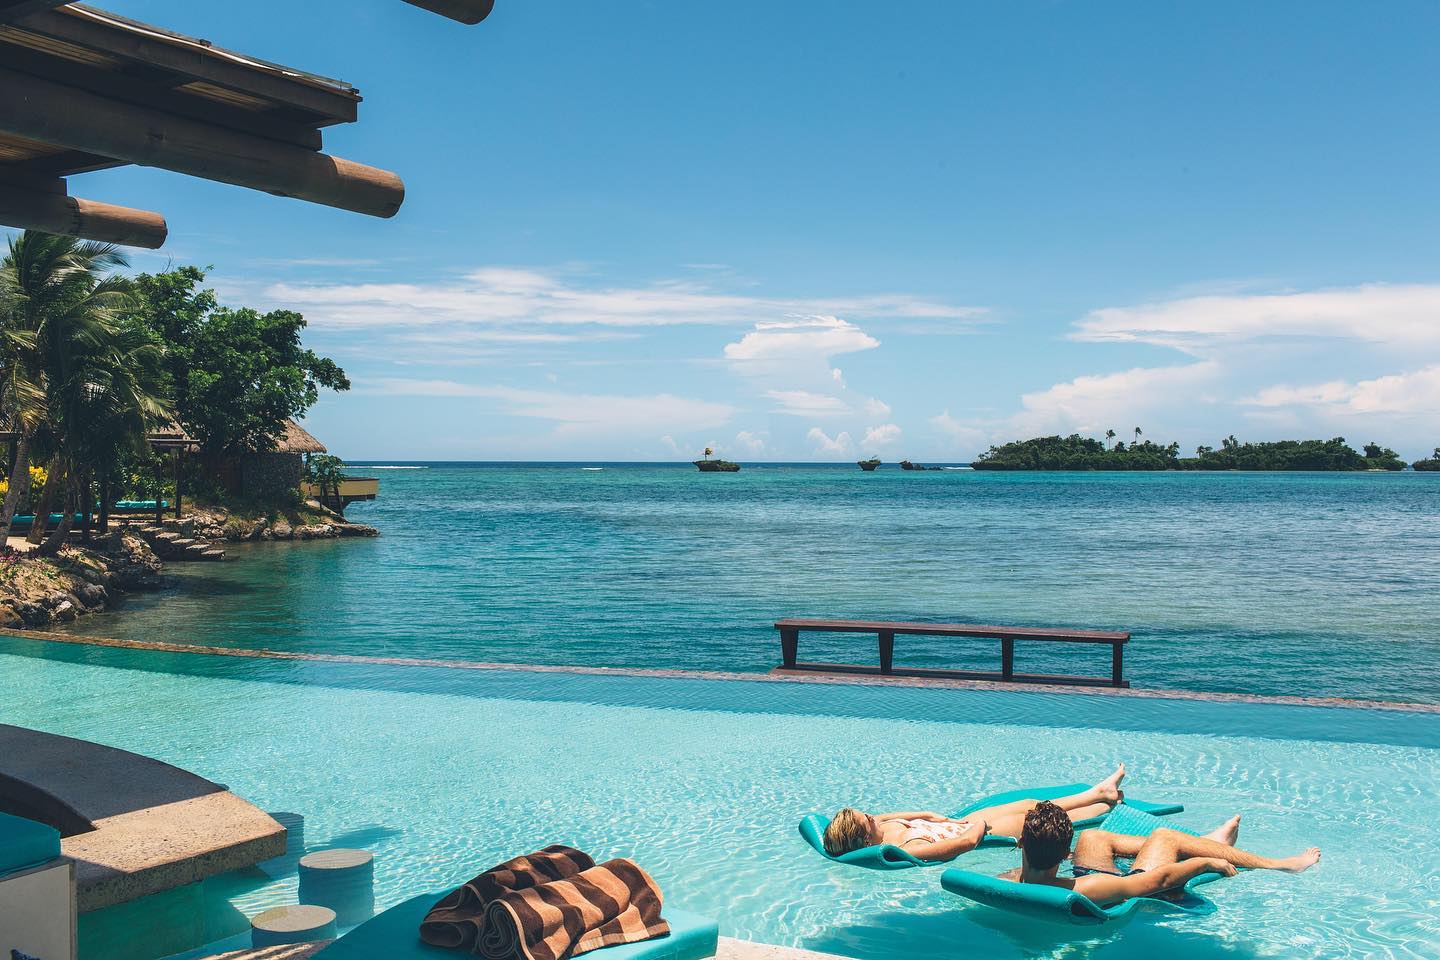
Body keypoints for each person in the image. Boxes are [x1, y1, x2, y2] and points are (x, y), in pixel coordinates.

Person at [1011, 799, 1321, 905]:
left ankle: (1202, 841)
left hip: (1084, 878)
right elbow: (1160, 880)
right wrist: (1206, 862)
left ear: (1021, 843)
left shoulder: (1010, 881)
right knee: (1164, 837)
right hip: (1126, 888)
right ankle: (1280, 864)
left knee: (1093, 836)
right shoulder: (1090, 887)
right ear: (1065, 854)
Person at [821, 764, 1128, 863]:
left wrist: (929, 814)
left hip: (964, 822)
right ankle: (1104, 801)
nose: (872, 816)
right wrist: (980, 824)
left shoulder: (880, 827)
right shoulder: (904, 849)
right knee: (1045, 817)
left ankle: (1100, 794)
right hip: (980, 832)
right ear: (865, 840)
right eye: (867, 819)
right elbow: (964, 845)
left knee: (1030, 802)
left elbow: (893, 815)